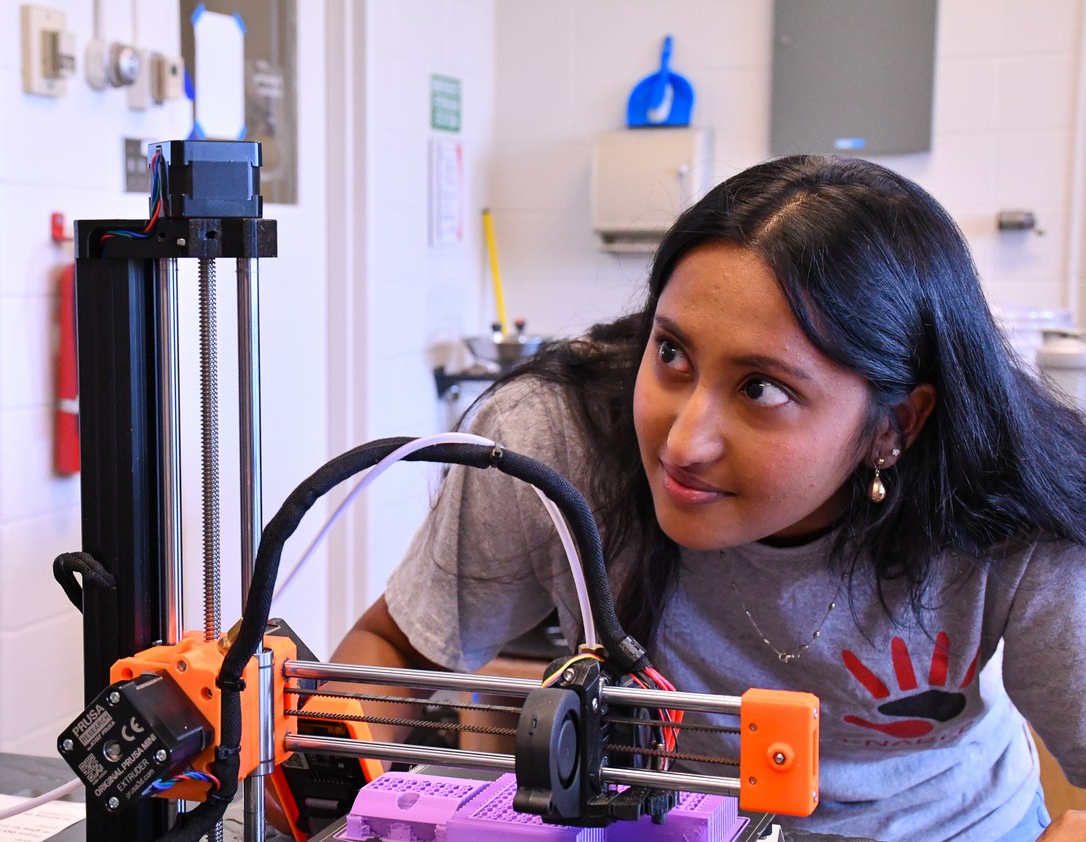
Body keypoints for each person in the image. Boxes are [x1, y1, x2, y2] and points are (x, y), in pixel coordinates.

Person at [329, 156, 1086, 841]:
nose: (683, 442)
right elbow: (394, 649)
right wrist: (322, 779)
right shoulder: (553, 446)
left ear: (895, 423)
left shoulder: (1012, 511)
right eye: (671, 354)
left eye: (761, 389)